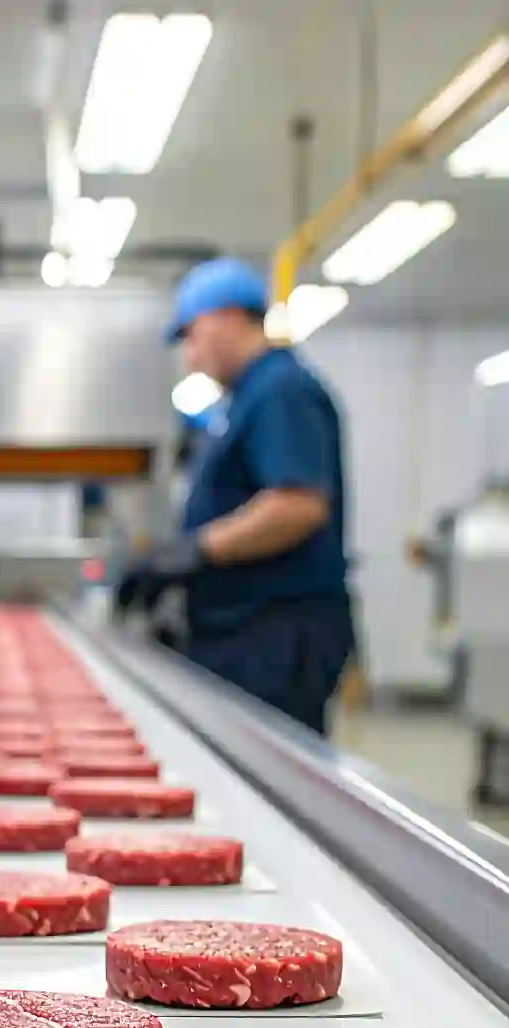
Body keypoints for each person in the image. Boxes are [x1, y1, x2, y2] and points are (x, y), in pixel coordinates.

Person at [117, 257, 354, 735]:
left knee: (270, 767)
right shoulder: (246, 398)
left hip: (273, 637)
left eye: (191, 336)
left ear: (226, 316)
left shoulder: (281, 390)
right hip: (245, 633)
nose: (190, 357)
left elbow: (297, 506)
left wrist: (194, 551)